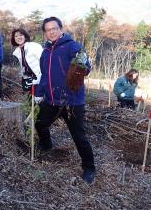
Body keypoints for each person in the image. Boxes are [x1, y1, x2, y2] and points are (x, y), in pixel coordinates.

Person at [34, 16, 96, 184]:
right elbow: (44, 76)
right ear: (45, 33)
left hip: (72, 101)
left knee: (78, 136)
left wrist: (84, 65)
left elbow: (85, 66)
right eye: (48, 30)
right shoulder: (45, 52)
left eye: (54, 28)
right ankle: (46, 146)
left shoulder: (72, 46)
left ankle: (89, 168)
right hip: (52, 100)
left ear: (60, 29)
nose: (51, 32)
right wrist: (39, 93)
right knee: (40, 123)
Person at [11, 28, 43, 92]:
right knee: (32, 100)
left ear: (25, 36)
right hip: (29, 80)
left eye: (21, 35)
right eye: (16, 36)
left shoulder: (34, 46)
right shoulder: (18, 51)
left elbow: (44, 61)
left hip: (40, 79)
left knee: (41, 100)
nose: (18, 37)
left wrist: (40, 78)